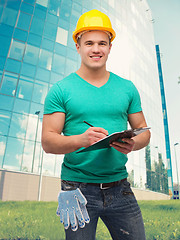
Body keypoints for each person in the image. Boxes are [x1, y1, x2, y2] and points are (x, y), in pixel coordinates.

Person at [42, 9, 151, 240]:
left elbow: (143, 131)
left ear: (110, 47)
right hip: (76, 188)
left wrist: (133, 144)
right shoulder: (61, 90)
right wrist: (81, 140)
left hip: (119, 186)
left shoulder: (127, 88)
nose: (96, 49)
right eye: (89, 42)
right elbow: (48, 141)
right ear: (78, 46)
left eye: (102, 43)